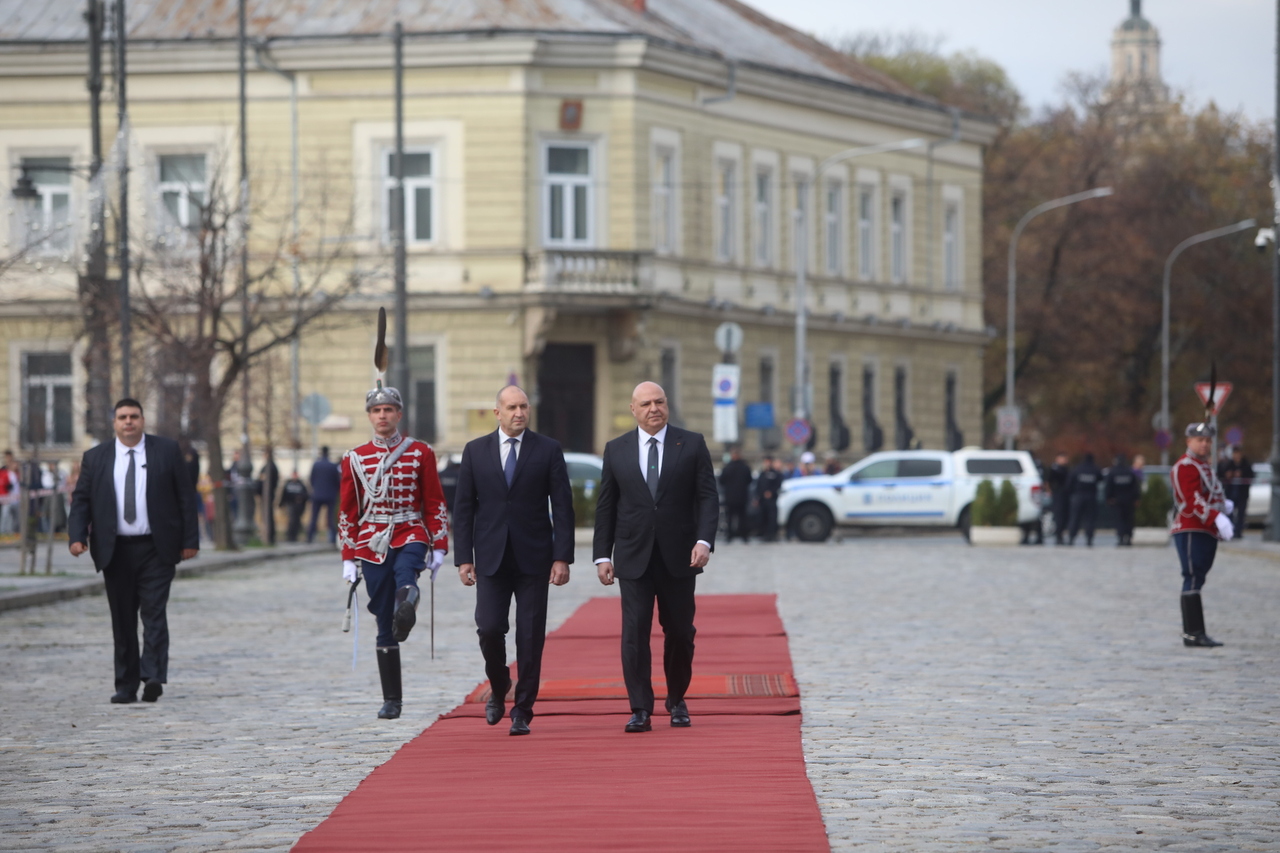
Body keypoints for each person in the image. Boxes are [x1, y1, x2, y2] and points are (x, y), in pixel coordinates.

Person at [593, 381, 719, 733]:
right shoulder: (616, 449)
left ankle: (677, 699)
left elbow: (708, 497)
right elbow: (606, 506)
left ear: (667, 405)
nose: (654, 409)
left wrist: (704, 541)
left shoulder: (691, 444)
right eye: (646, 403)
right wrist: (602, 555)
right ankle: (640, 708)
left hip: (681, 556)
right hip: (633, 556)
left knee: (680, 632)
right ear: (633, 409)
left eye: (659, 402)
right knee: (634, 633)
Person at [453, 386, 574, 736]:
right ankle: (499, 683)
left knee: (530, 637)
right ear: (498, 413)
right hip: (490, 558)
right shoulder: (475, 451)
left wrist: (562, 557)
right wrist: (464, 558)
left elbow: (562, 507)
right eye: (511, 407)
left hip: (534, 558)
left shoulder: (547, 449)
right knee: (489, 628)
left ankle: (523, 709)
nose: (519, 412)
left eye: (523, 406)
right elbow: (463, 509)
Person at [67, 398, 199, 703]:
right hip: (116, 551)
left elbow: (185, 497)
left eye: (134, 416)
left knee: (154, 613)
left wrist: (190, 541)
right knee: (123, 619)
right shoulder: (96, 457)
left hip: (156, 547)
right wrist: (77, 536)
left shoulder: (166, 451)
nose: (129, 422)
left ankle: (152, 675)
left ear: (142, 420)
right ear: (114, 422)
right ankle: (126, 686)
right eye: (123, 417)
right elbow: (82, 500)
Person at [339, 383, 449, 720]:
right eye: (376, 410)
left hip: (410, 529)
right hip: (371, 540)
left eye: (388, 409)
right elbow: (348, 510)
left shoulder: (420, 453)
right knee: (382, 618)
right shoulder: (354, 458)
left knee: (406, 572)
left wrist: (439, 545)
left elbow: (434, 501)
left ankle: (407, 607)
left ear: (399, 414)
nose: (382, 415)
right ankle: (392, 701)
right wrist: (348, 557)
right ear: (370, 416)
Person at [1171, 422, 1233, 647]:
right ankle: (1193, 633)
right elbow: (1192, 498)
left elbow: (1210, 492)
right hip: (1191, 526)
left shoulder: (1204, 466)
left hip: (1206, 528)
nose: (1205, 444)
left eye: (1208, 440)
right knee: (1192, 576)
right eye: (1200, 440)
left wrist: (1223, 506)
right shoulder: (1186, 466)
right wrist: (1215, 516)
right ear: (1189, 441)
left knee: (1199, 577)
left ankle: (1196, 632)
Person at [718, 447, 753, 543]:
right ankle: (744, 536)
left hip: (730, 497)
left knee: (730, 517)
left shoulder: (727, 467)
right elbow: (749, 480)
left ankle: (729, 536)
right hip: (742, 496)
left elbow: (721, 481)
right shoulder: (745, 467)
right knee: (742, 517)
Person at [1218, 446, 1253, 539]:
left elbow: (1251, 476)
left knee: (1241, 514)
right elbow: (1221, 473)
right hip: (1230, 493)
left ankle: (1238, 532)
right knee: (1230, 513)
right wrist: (1228, 475)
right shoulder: (1229, 464)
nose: (1237, 456)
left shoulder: (1246, 464)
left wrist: (1242, 474)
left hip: (1242, 494)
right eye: (1235, 454)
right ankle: (1231, 531)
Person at [1105, 454, 1140, 546]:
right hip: (1129, 501)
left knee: (1119, 520)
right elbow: (1135, 487)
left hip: (1117, 501)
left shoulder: (1113, 472)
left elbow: (1108, 487)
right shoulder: (1130, 472)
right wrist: (1136, 498)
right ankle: (1128, 538)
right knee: (1129, 520)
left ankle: (1120, 538)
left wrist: (1108, 498)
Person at [1067, 453, 1101, 547]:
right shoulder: (1095, 469)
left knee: (1075, 518)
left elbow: (1069, 483)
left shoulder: (1077, 469)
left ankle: (1071, 538)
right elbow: (1100, 479)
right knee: (1090, 519)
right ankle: (1089, 539)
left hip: (1078, 497)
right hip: (1091, 497)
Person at [308, 446, 340, 545]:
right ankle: (332, 538)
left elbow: (311, 479)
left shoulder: (316, 465)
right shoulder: (333, 466)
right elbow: (337, 481)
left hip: (317, 494)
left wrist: (316, 488)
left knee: (314, 517)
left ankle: (309, 537)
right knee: (330, 518)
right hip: (330, 495)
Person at [756, 456, 785, 543]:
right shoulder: (762, 473)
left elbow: (778, 485)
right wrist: (759, 496)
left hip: (772, 500)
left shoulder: (775, 474)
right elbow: (759, 486)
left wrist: (771, 492)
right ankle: (764, 534)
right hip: (763, 500)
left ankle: (772, 535)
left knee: (772, 518)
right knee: (763, 517)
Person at [1046, 453, 1070, 545]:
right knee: (1058, 516)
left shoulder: (1066, 469)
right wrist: (1050, 491)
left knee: (1065, 516)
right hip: (1057, 494)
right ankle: (1058, 535)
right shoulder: (1053, 469)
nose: (1064, 460)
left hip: (1065, 495)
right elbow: (1048, 481)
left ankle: (1061, 534)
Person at [279, 471, 310, 543]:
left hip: (298, 506)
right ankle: (290, 535)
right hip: (290, 504)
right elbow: (284, 494)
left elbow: (306, 495)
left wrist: (301, 499)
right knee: (292, 520)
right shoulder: (288, 483)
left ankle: (294, 535)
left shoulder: (301, 484)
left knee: (296, 521)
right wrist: (281, 503)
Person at [258, 446, 280, 545]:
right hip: (268, 494)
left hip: (267, 495)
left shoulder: (269, 467)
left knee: (268, 515)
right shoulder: (270, 466)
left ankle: (269, 536)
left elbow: (263, 480)